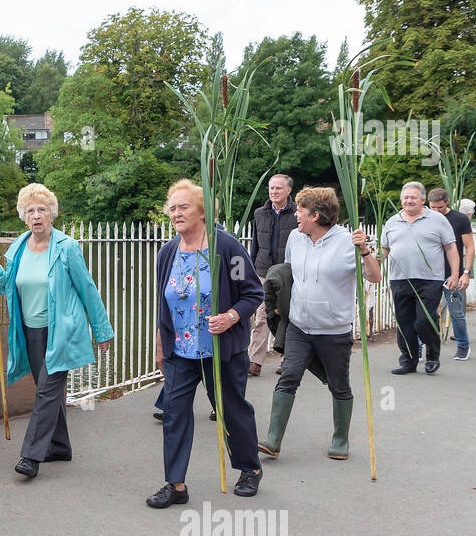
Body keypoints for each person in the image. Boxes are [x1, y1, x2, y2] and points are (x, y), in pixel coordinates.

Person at [146, 180, 265, 508]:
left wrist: (229, 317)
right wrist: (160, 343)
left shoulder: (226, 248)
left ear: (202, 212)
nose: (176, 213)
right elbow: (164, 302)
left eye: (183, 206)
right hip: (180, 351)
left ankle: (250, 468)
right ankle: (176, 484)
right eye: (172, 208)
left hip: (220, 350)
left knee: (231, 410)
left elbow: (253, 292)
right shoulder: (168, 252)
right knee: (174, 412)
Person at [0, 184, 113, 479]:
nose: (36, 216)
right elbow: (12, 288)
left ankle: (30, 456)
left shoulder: (66, 247)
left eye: (42, 209)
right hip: (29, 332)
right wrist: (0, 276)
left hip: (61, 333)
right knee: (48, 391)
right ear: (23, 216)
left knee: (46, 391)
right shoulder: (18, 247)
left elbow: (87, 289)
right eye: (30, 210)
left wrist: (102, 329)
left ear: (52, 215)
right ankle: (59, 445)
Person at [257, 187, 382, 461]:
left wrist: (364, 251)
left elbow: (374, 277)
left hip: (334, 330)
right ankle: (273, 440)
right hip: (299, 326)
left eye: (301, 211)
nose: (296, 215)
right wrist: (280, 303)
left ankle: (340, 439)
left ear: (316, 215)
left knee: (339, 385)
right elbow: (288, 273)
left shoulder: (348, 242)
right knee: (288, 377)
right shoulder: (295, 237)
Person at [380, 182, 460, 375]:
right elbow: (384, 249)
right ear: (401, 200)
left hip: (429, 280)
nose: (409, 201)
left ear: (423, 200)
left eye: (413, 197)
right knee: (404, 323)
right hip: (399, 279)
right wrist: (370, 261)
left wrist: (455, 274)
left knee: (423, 321)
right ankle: (408, 361)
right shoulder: (392, 222)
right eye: (405, 197)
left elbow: (450, 248)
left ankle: (432, 354)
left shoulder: (437, 220)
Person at [247, 174, 298, 376]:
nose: (274, 191)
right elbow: (255, 244)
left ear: (288, 190)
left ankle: (287, 359)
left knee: (289, 315)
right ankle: (255, 361)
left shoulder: (297, 213)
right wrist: (251, 270)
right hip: (263, 271)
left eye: (278, 188)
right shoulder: (260, 213)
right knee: (261, 315)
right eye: (271, 188)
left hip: (288, 271)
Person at [427, 188, 475, 361]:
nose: (436, 211)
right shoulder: (425, 218)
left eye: (439, 207)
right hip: (429, 274)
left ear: (447, 202)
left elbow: (469, 247)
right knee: (425, 313)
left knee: (455, 312)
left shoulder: (460, 219)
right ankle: (418, 348)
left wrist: (466, 273)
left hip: (452, 275)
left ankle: (463, 345)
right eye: (432, 207)